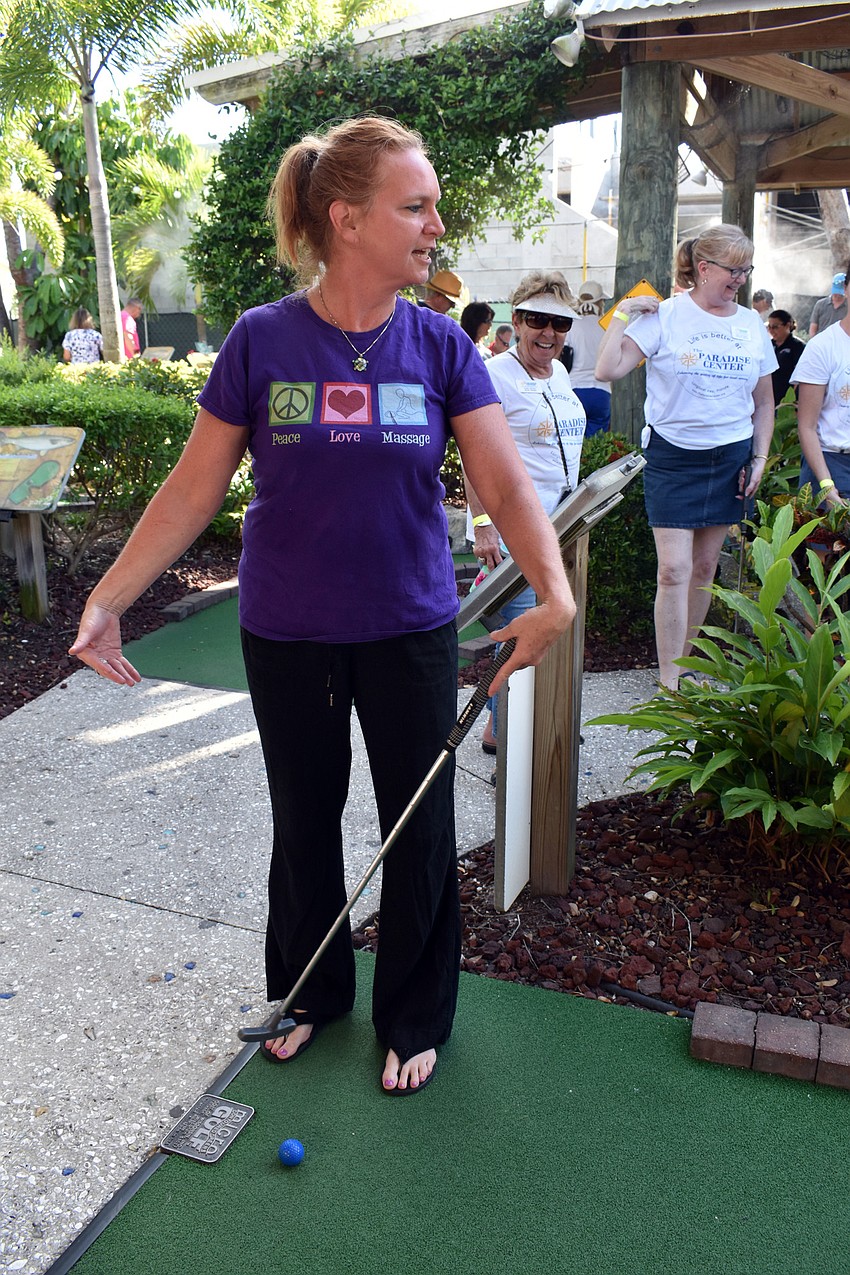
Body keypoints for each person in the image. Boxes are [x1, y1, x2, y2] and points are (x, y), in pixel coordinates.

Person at [68, 116, 574, 1096]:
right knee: (304, 820)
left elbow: (506, 488)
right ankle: (308, 991)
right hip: (286, 630)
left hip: (411, 627)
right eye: (414, 206)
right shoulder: (261, 340)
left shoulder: (437, 346)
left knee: (416, 828)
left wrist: (552, 593)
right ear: (347, 219)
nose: (434, 226)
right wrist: (108, 599)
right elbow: (191, 488)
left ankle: (415, 1012)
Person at [595, 224, 776, 690]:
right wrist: (621, 313)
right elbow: (607, 369)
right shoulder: (665, 315)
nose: (740, 279)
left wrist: (759, 458)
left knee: (703, 568)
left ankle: (689, 664)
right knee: (673, 569)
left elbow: (764, 402)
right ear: (704, 267)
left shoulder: (750, 324)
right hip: (673, 455)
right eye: (733, 270)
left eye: (746, 269)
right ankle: (670, 679)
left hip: (730, 454)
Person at [464, 270, 586, 751]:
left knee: (543, 629)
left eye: (559, 323)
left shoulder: (558, 372)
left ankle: (501, 731)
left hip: (560, 525)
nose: (548, 333)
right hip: (514, 529)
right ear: (516, 320)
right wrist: (483, 526)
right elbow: (475, 456)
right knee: (518, 637)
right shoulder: (493, 374)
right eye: (537, 320)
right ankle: (516, 741)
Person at [792, 265, 850, 505]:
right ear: (846, 288)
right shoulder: (823, 347)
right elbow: (806, 426)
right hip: (829, 463)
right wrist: (826, 485)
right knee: (827, 541)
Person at [561, 280, 611, 436]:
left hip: (574, 389)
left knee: (573, 440)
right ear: (600, 302)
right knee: (597, 447)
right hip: (602, 391)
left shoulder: (570, 326)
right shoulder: (608, 326)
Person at [767, 309, 805, 407]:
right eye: (769, 327)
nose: (771, 331)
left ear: (787, 325)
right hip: (768, 396)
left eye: (775, 327)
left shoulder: (797, 346)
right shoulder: (767, 345)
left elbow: (801, 376)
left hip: (787, 399)